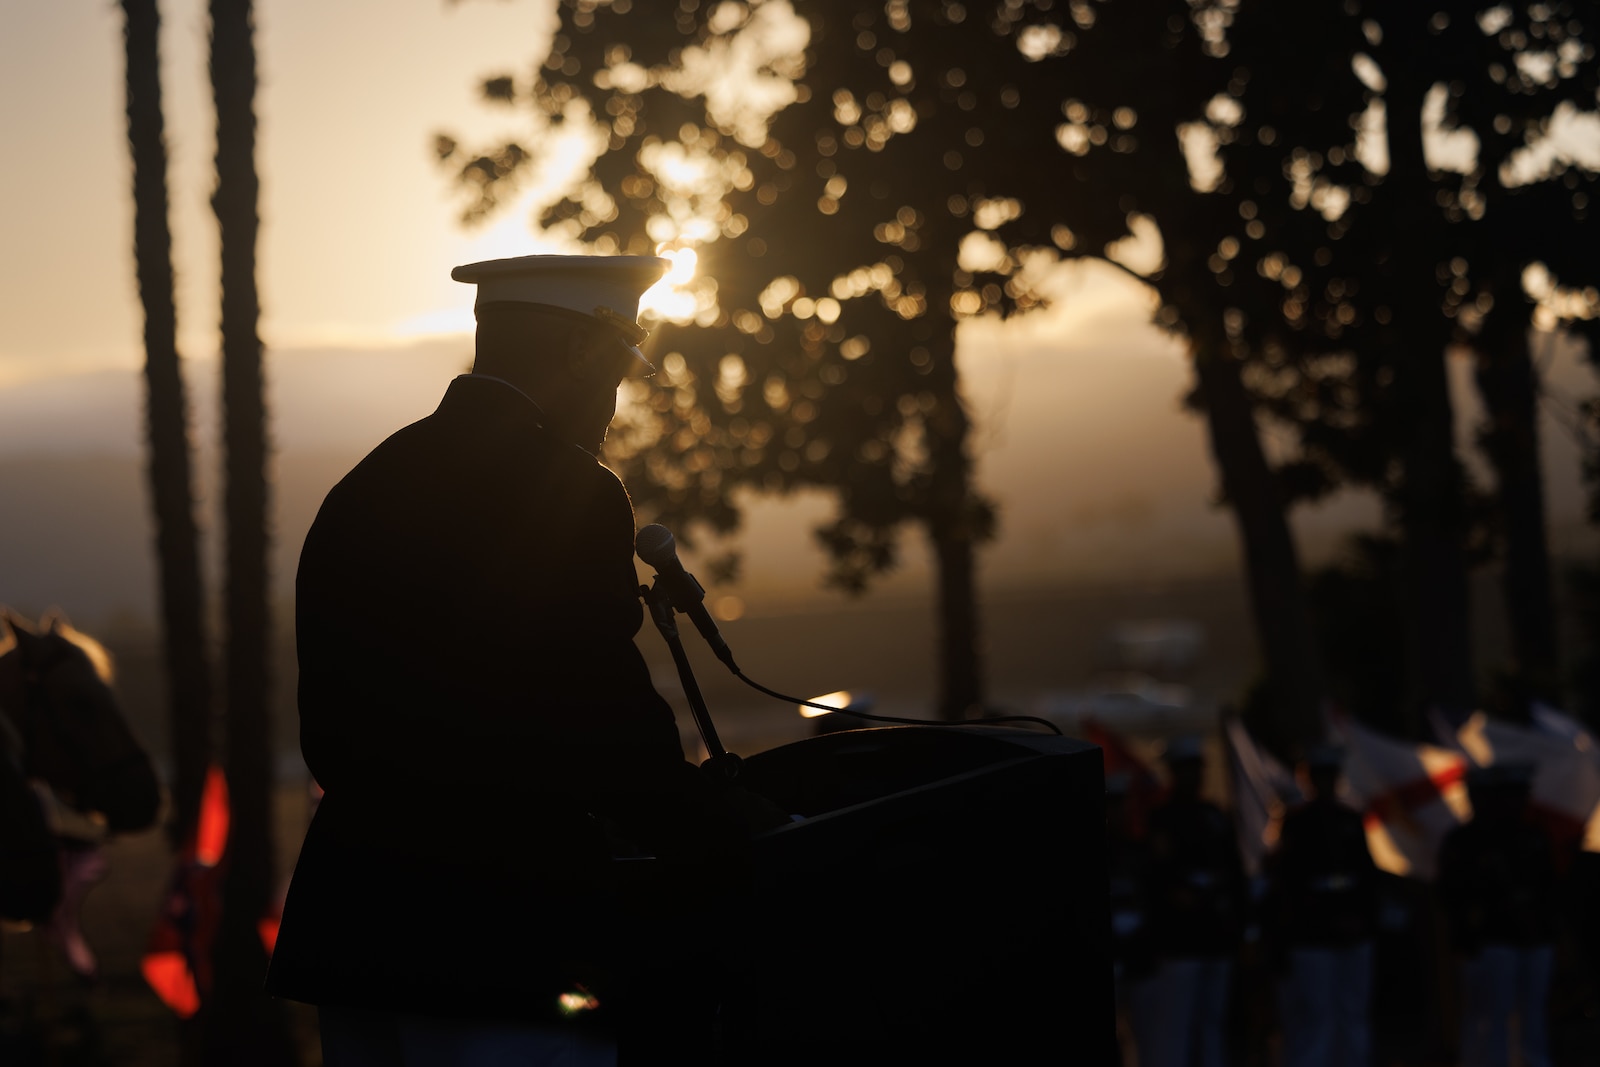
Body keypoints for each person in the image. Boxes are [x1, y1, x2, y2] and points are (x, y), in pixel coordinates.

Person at [265, 255, 779, 1065]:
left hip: (358, 937)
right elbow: (603, 727)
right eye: (616, 372)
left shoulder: (362, 485)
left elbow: (328, 732)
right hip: (505, 943)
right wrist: (730, 835)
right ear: (581, 356)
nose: (615, 406)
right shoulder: (569, 487)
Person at [1131, 735, 1246, 1067]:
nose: (1192, 776)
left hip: (1216, 937)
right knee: (1174, 1028)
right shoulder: (1161, 819)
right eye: (1184, 769)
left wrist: (1237, 926)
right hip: (1178, 942)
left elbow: (1234, 874)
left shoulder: (1215, 816)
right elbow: (1155, 878)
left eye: (1195, 768)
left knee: (1211, 1026)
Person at [1436, 763, 1559, 1067]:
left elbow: (1549, 888)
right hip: (1490, 940)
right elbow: (1453, 894)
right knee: (1490, 1016)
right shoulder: (1466, 841)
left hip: (1533, 937)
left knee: (1532, 1014)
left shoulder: (1533, 836)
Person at [1266, 744, 1379, 1067]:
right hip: (1312, 936)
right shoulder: (1296, 824)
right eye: (1320, 775)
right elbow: (1288, 883)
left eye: (1331, 775)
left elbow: (1365, 878)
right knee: (1317, 1018)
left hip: (1353, 933)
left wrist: (1360, 920)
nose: (1326, 781)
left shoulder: (1350, 820)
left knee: (1353, 1015)